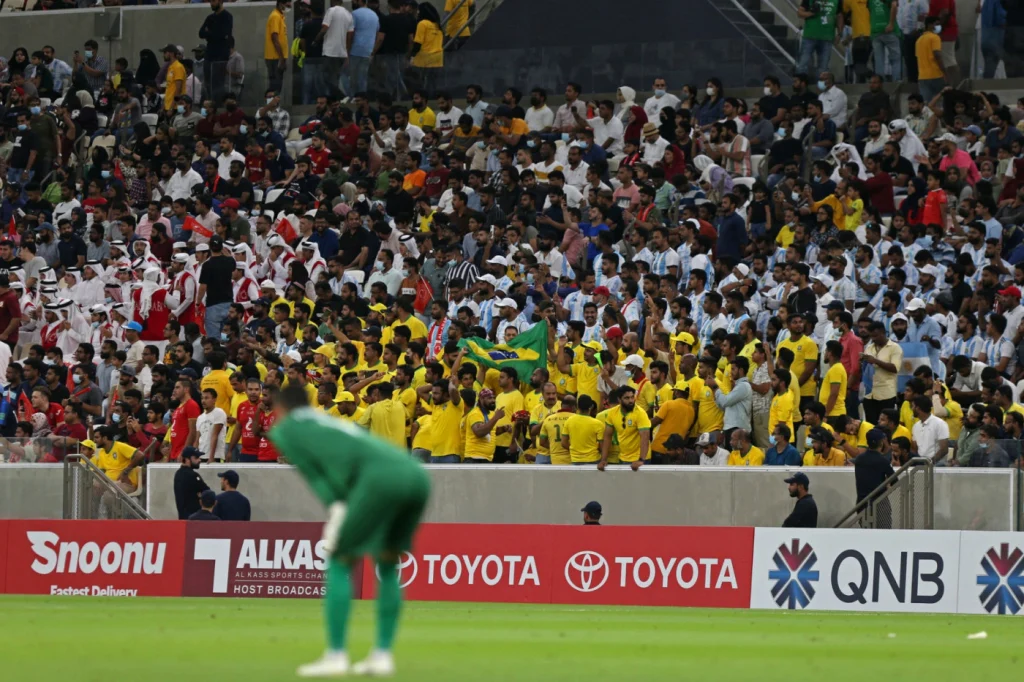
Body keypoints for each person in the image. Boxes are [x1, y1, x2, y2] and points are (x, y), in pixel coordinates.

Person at [269, 385, 430, 677]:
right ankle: (382, 656)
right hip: (415, 473)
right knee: (388, 563)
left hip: (376, 479)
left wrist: (339, 506)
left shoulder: (286, 429)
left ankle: (336, 655)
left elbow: (318, 479)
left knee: (339, 559)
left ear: (280, 408)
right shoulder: (327, 421)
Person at [173, 445, 210, 520]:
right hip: (195, 519)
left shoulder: (178, 474)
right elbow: (207, 492)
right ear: (187, 459)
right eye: (196, 457)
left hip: (183, 518)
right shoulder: (193, 475)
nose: (199, 460)